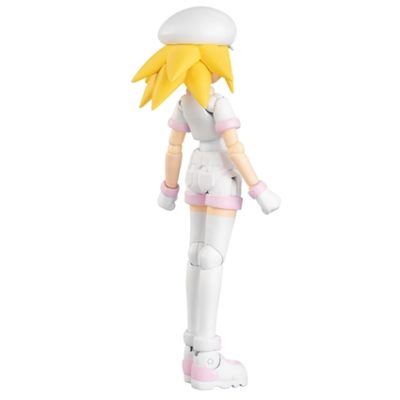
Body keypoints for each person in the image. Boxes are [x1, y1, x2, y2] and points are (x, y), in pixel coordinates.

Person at [132, 6, 280, 390]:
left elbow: (174, 148)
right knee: (210, 258)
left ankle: (193, 354)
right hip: (221, 172)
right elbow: (235, 149)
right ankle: (208, 359)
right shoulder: (217, 103)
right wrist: (259, 188)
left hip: (195, 169)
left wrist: (169, 188)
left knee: (197, 255)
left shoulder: (184, 104)